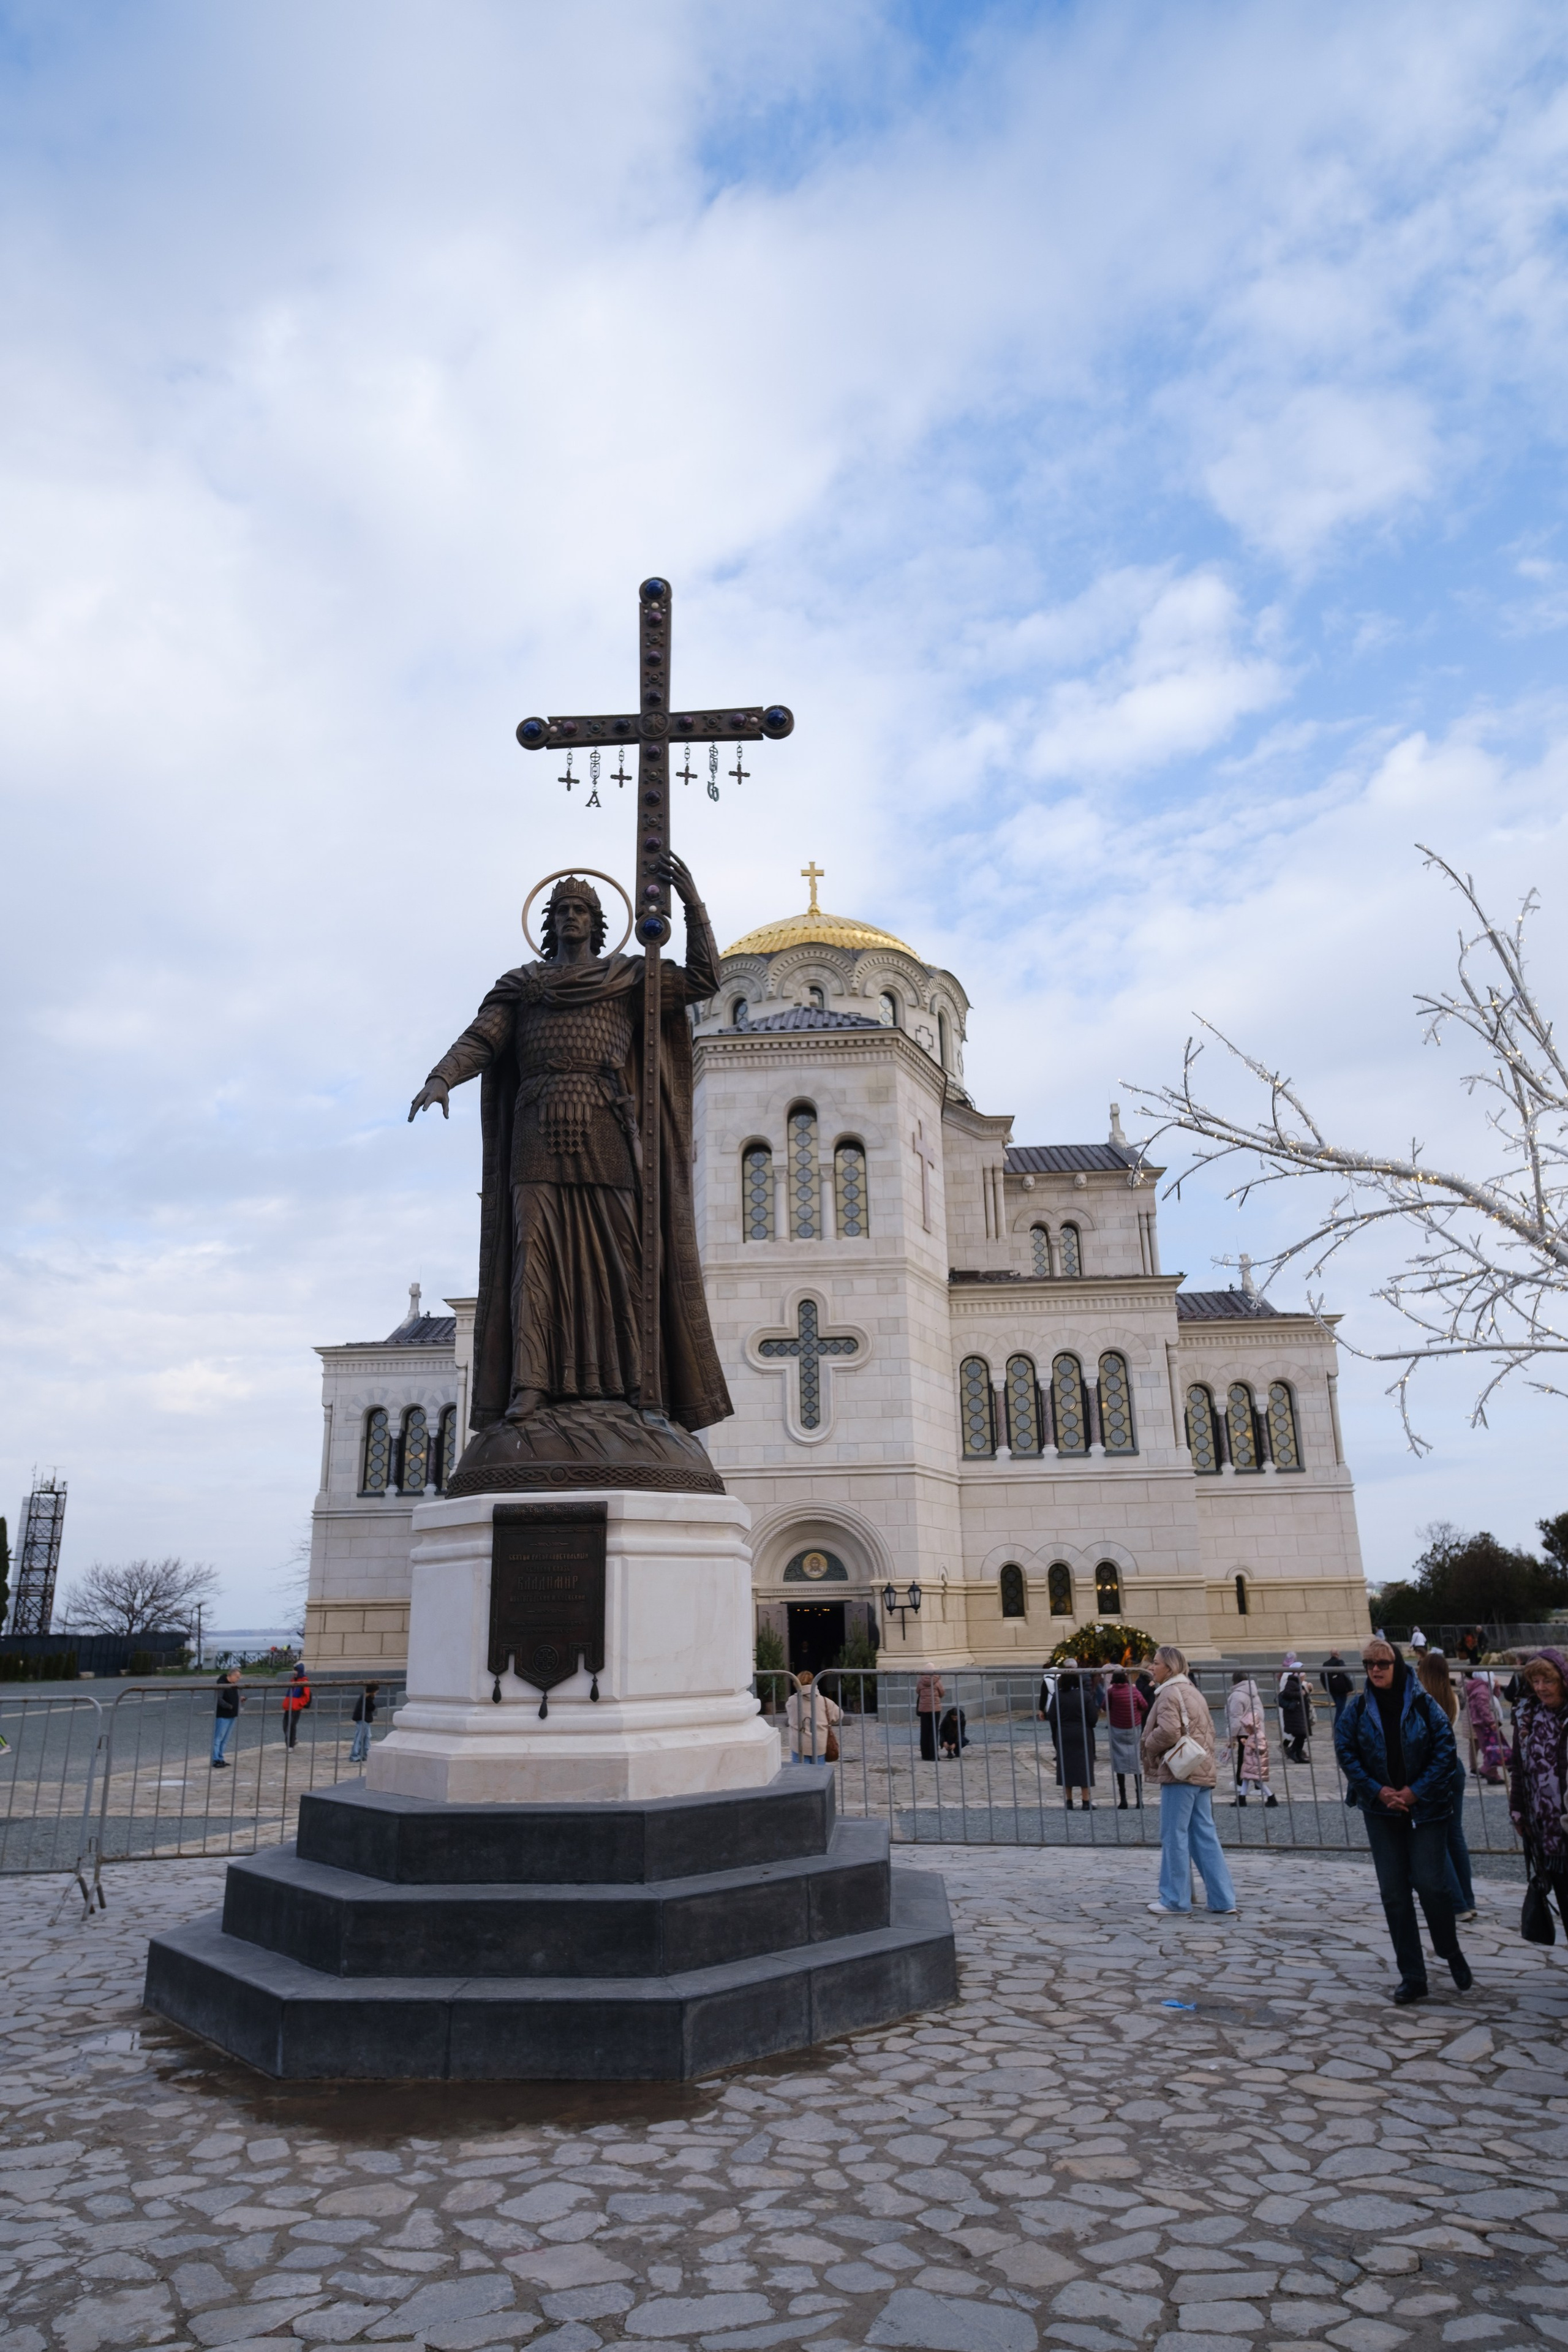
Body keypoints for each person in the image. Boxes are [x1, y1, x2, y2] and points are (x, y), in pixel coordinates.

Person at [1335, 1638, 1472, 2005]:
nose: (1375, 1670)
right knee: (1394, 1894)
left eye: (1382, 1664)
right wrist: (1377, 1790)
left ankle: (1449, 1950)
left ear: (1397, 1665)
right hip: (1381, 1811)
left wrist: (1415, 1791)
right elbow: (1345, 1750)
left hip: (1424, 1810)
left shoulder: (1425, 1704)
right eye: (1368, 1665)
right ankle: (1413, 1975)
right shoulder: (1359, 1707)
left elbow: (1445, 1751)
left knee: (1432, 1885)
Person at [1142, 1644, 1237, 1917]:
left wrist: (1149, 1743)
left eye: (1156, 1663)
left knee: (1174, 1834)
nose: (1151, 1667)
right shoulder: (1192, 1691)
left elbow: (1170, 1731)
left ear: (1169, 1668)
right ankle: (1222, 1898)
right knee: (1204, 1835)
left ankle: (1175, 1899)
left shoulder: (1170, 1692)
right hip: (1200, 1769)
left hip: (1180, 1772)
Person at [1507, 1646, 1568, 1928]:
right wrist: (1518, 1809)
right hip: (1548, 1830)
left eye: (1549, 1681)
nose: (1542, 1688)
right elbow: (1518, 1769)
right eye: (1536, 1681)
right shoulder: (1527, 1719)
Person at [1417, 1650, 1477, 1922]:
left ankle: (1457, 1903)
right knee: (1455, 1835)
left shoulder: (1422, 1700)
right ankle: (1468, 1897)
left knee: (1435, 1837)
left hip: (1433, 1770)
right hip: (1455, 1766)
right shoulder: (1451, 1698)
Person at [1048, 1659, 1102, 1809]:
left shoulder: (1058, 1696)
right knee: (1084, 1765)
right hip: (1083, 1733)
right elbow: (1093, 1717)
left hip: (1065, 1733)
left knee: (1066, 1766)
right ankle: (1086, 1801)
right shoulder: (1085, 1696)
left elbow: (1052, 1716)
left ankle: (1069, 1801)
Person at [1226, 1672, 1278, 1807]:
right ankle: (1242, 1798)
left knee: (1248, 1766)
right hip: (1256, 1732)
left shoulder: (1237, 1695)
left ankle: (1270, 1796)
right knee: (1248, 1767)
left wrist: (1232, 1737)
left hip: (1245, 1733)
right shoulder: (1253, 1693)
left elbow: (1236, 1719)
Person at [1106, 1668, 1148, 1808]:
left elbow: (1104, 1706)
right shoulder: (1134, 1691)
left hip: (1117, 1728)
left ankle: (1123, 1799)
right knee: (1135, 1761)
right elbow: (1144, 1705)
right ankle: (1139, 1799)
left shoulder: (1111, 1692)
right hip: (1133, 1728)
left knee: (1119, 1762)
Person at [785, 1669, 842, 1763]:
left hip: (799, 1745)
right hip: (819, 1744)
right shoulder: (824, 1701)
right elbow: (840, 1715)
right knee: (819, 1775)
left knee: (800, 1775)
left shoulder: (791, 1701)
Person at [1463, 1668, 1508, 1785]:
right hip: (1484, 1723)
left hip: (1484, 1722)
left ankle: (1494, 1775)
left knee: (1491, 1748)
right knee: (1490, 1748)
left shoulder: (1485, 1687)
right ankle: (1487, 1770)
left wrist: (1497, 1687)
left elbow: (1496, 1696)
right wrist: (1491, 1722)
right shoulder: (1482, 1689)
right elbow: (1482, 1707)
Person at [1278, 1654, 1314, 1764]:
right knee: (1301, 1734)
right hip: (1295, 1715)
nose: (1304, 1676)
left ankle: (1297, 1754)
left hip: (1299, 1714)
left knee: (1302, 1735)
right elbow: (1288, 1693)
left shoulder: (1296, 1682)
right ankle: (1293, 1751)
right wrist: (1301, 1693)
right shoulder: (1292, 1681)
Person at [211, 1669, 243, 1768]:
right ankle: (215, 1759)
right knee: (218, 1738)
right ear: (231, 1675)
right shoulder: (222, 1685)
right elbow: (219, 1699)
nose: (238, 1679)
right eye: (237, 1677)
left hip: (232, 1714)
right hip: (224, 1715)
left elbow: (232, 1696)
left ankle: (220, 1758)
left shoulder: (232, 1685)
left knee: (225, 1739)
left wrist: (239, 1699)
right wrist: (229, 1706)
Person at [349, 1680, 380, 1767]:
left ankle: (365, 1754)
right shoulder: (366, 1699)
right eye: (376, 1692)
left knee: (366, 1737)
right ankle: (355, 1755)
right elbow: (371, 1707)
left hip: (364, 1719)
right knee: (360, 1737)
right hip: (363, 1719)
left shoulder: (365, 1698)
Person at [281, 1664, 312, 1751]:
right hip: (289, 1706)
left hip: (296, 1707)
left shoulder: (304, 1682)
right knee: (285, 1725)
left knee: (291, 1725)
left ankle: (290, 1745)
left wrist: (299, 1704)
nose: (294, 1672)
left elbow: (307, 1696)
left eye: (296, 1670)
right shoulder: (293, 1680)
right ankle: (293, 1741)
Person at [916, 1670, 944, 1763]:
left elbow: (918, 1691)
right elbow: (942, 1693)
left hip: (924, 1709)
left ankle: (925, 1755)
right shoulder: (937, 1681)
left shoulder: (921, 1681)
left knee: (924, 1732)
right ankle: (934, 1755)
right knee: (934, 1731)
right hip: (935, 1710)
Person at [1321, 1653, 1354, 1728]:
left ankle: (1339, 1727)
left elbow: (1322, 1677)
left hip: (1332, 1690)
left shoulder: (1326, 1664)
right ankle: (1338, 1727)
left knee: (1340, 1708)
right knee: (1341, 1709)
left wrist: (1327, 1688)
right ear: (1338, 1655)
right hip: (1342, 1690)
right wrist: (1350, 1688)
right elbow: (1346, 1675)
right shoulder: (1340, 1663)